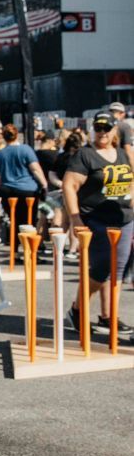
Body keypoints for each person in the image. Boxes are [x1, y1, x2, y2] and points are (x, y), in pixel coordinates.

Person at [63, 112, 133, 337]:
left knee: (117, 270)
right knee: (102, 269)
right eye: (98, 128)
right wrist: (75, 218)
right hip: (95, 218)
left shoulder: (122, 153)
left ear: (115, 130)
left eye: (106, 128)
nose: (102, 132)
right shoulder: (85, 155)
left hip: (123, 219)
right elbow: (69, 185)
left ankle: (109, 315)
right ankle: (77, 309)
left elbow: (130, 182)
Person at [0, 123, 47, 238]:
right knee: (29, 220)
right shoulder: (25, 150)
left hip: (7, 190)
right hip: (27, 189)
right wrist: (44, 184)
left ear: (4, 136)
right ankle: (29, 246)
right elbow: (35, 169)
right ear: (17, 135)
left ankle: (15, 245)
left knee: (14, 219)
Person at [108, 102, 134, 167]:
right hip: (119, 164)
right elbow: (128, 149)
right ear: (123, 113)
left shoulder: (98, 125)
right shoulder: (124, 126)